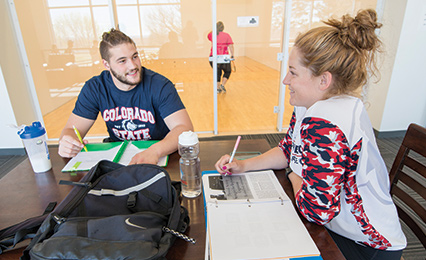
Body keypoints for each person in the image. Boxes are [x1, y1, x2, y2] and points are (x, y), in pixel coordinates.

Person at [215, 9, 406, 260]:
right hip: (344, 227)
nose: (285, 80)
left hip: (367, 245)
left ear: (323, 80)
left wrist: (295, 176)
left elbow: (317, 211)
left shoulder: (326, 124)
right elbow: (288, 150)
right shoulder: (313, 104)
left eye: (293, 72)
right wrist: (243, 165)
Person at [58, 28, 193, 165]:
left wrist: (155, 151)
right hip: (118, 158)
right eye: (122, 61)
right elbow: (71, 130)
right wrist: (68, 141)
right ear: (106, 64)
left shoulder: (160, 85)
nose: (133, 66)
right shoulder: (95, 88)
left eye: (135, 57)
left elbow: (184, 128)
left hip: (158, 156)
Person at [208, 21, 234, 93]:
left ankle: (217, 88)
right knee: (228, 71)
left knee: (217, 72)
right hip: (224, 57)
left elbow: (209, 35)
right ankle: (222, 85)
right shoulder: (227, 35)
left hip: (213, 57)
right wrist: (232, 55)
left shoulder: (212, 34)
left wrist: (214, 30)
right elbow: (231, 46)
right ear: (223, 28)